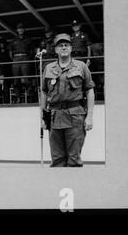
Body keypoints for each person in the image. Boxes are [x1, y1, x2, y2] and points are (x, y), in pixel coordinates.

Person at [40, 33, 95, 167]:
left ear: (71, 48)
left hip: (75, 115)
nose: (63, 47)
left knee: (74, 158)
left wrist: (90, 117)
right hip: (54, 116)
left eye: (66, 45)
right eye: (60, 45)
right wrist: (42, 117)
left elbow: (89, 90)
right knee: (57, 159)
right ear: (56, 50)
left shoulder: (81, 66)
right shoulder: (49, 68)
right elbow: (44, 91)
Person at [8, 23, 32, 103]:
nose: (21, 30)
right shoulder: (13, 40)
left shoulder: (28, 39)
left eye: (22, 28)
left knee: (26, 78)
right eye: (19, 28)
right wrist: (15, 59)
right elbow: (10, 52)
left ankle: (28, 96)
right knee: (16, 79)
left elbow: (32, 51)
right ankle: (18, 97)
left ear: (24, 30)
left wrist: (27, 58)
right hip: (16, 59)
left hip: (25, 58)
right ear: (17, 30)